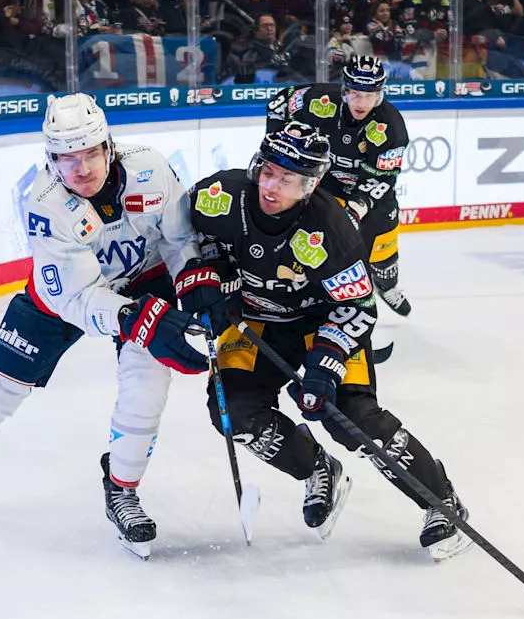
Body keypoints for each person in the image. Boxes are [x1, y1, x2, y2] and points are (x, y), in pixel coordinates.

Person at [0, 94, 209, 559]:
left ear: (109, 147)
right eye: (66, 157)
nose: (80, 168)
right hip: (63, 298)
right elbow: (78, 298)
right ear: (51, 159)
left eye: (89, 153)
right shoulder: (46, 204)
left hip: (145, 280)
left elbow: (180, 239)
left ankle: (121, 488)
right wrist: (130, 317)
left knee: (146, 387)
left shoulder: (152, 168)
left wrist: (196, 282)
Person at [187, 123, 471, 557]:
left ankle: (441, 500)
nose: (272, 185)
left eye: (289, 179)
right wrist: (203, 275)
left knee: (352, 417)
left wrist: (324, 364)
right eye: (268, 171)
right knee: (234, 413)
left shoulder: (331, 230)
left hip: (322, 322)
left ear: (311, 183)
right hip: (257, 321)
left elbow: (358, 306)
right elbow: (185, 241)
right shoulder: (217, 197)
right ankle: (318, 468)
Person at [266, 56, 413, 317]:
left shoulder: (391, 128)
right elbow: (278, 104)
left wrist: (355, 210)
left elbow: (381, 178)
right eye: (356, 94)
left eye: (370, 96)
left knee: (383, 250)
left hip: (370, 194)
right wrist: (282, 145)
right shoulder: (320, 100)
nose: (362, 103)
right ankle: (322, 302)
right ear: (345, 90)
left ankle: (387, 285)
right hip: (328, 182)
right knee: (323, 248)